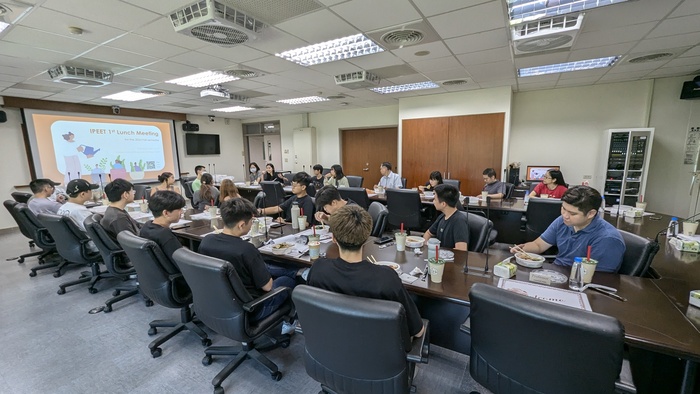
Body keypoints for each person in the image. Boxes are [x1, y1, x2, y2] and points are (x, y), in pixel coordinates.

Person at [307, 205, 425, 338]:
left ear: (333, 238)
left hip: (329, 344)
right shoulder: (386, 278)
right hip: (378, 353)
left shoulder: (318, 269)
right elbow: (418, 331)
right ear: (367, 237)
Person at [198, 198, 304, 332]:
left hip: (217, 302)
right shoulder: (246, 249)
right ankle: (289, 324)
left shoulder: (207, 241)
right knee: (287, 281)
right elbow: (268, 287)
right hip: (252, 309)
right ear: (242, 225)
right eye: (252, 221)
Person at [511, 185, 625, 273]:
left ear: (591, 214)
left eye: (572, 213)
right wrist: (523, 249)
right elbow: (539, 245)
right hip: (556, 273)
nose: (565, 215)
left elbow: (600, 278)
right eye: (563, 209)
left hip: (578, 283)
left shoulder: (607, 239)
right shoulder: (563, 221)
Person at [140, 190, 185, 262]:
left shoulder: (146, 226)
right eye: (179, 209)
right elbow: (182, 262)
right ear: (166, 213)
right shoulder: (166, 235)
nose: (182, 212)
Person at [423, 184, 469, 251]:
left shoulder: (459, 221)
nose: (433, 201)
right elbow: (428, 233)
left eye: (435, 199)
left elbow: (461, 251)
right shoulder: (442, 216)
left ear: (443, 204)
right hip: (438, 256)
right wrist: (427, 246)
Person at [57, 179, 99, 252]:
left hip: (72, 245)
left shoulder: (62, 208)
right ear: (82, 194)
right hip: (91, 245)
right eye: (90, 190)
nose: (92, 192)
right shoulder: (80, 211)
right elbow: (96, 231)